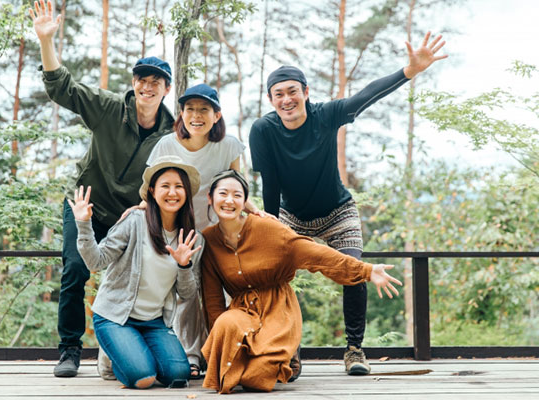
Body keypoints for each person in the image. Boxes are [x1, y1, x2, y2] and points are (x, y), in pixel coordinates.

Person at [249, 31, 447, 376]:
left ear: (306, 92)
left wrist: (409, 71)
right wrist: (271, 229)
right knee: (276, 275)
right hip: (290, 215)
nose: (286, 99)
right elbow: (270, 184)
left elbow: (365, 96)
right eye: (278, 94)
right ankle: (287, 351)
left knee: (353, 270)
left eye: (293, 91)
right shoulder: (263, 130)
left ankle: (355, 350)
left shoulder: (325, 115)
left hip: (337, 211)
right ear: (270, 99)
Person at [29, 0, 175, 377]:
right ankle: (69, 350)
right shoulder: (109, 108)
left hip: (129, 216)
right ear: (134, 83)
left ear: (166, 89)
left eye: (155, 82)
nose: (147, 86)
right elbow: (63, 88)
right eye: (141, 80)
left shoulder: (170, 134)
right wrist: (46, 41)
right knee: (75, 270)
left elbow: (184, 173)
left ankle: (127, 349)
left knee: (138, 277)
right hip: (85, 206)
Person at [199, 170, 402, 394]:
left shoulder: (268, 228)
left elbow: (315, 254)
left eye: (237, 195)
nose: (229, 200)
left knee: (256, 379)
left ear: (244, 201)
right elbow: (212, 299)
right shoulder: (209, 239)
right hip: (242, 312)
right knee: (226, 324)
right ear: (210, 197)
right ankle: (262, 358)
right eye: (223, 194)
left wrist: (366, 270)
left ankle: (285, 355)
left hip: (277, 309)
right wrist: (219, 345)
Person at [120, 83, 267, 378]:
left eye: (204, 109)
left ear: (216, 115)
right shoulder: (166, 145)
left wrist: (254, 211)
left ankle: (226, 352)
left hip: (216, 232)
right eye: (189, 109)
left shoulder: (229, 145)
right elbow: (154, 187)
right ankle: (190, 356)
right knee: (185, 293)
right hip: (179, 230)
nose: (196, 116)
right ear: (182, 114)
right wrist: (138, 208)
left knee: (221, 293)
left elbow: (235, 187)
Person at [68, 156, 205, 389]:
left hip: (155, 322)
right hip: (115, 317)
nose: (172, 193)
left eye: (179, 186)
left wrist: (184, 266)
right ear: (152, 191)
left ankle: (132, 351)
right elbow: (95, 261)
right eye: (165, 186)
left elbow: (187, 294)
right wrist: (83, 224)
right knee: (143, 378)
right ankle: (114, 357)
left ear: (187, 192)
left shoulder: (193, 239)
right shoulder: (135, 221)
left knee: (178, 375)